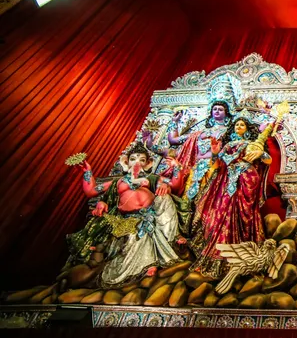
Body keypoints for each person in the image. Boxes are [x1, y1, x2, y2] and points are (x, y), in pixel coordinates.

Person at [67, 142, 187, 287]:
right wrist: (88, 172)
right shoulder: (118, 181)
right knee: (134, 235)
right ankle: (145, 265)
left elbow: (175, 185)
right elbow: (91, 190)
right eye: (133, 159)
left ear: (148, 164)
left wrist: (175, 169)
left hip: (152, 213)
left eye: (142, 160)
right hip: (129, 218)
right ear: (126, 162)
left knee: (165, 198)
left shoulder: (152, 178)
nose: (137, 162)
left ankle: (173, 236)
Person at [188, 117, 273, 278]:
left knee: (243, 215)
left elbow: (268, 161)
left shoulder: (252, 145)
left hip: (247, 180)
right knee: (220, 214)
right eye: (236, 124)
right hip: (226, 182)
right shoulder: (227, 146)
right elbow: (217, 165)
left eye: (242, 124)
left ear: (248, 129)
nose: (238, 126)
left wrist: (261, 153)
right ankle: (217, 258)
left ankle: (243, 259)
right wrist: (214, 153)